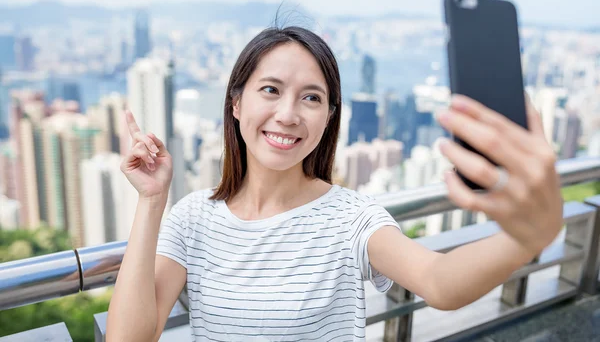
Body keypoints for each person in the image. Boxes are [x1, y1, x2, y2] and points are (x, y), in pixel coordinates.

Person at [106, 26, 563, 342]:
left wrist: (527, 236)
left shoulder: (351, 218)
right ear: (236, 104)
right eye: (270, 90)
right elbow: (130, 337)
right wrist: (152, 201)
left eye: (311, 97)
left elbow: (439, 282)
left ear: (328, 118)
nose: (288, 113)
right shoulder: (192, 217)